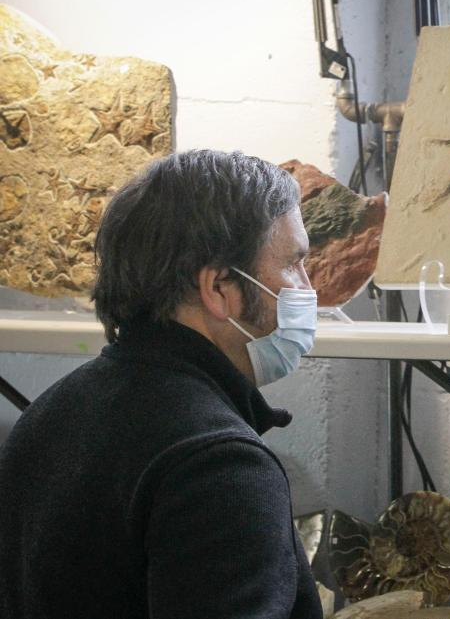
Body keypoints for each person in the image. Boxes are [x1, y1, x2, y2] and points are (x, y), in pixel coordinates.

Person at [0, 150, 324, 619]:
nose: (308, 288)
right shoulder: (220, 466)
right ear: (219, 288)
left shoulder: (49, 412)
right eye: (294, 263)